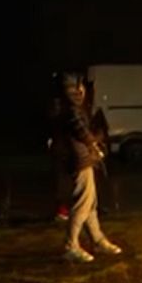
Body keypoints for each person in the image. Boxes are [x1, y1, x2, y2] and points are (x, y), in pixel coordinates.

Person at [55, 71, 122, 262]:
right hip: (79, 161)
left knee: (90, 204)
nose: (83, 90)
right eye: (79, 86)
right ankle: (71, 245)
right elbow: (80, 130)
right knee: (83, 204)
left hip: (83, 159)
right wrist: (94, 144)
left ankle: (98, 240)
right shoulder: (71, 110)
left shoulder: (70, 108)